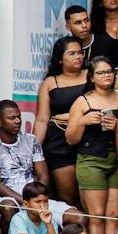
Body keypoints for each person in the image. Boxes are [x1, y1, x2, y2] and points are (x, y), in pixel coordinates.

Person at [65, 56, 118, 234]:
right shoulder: (82, 101)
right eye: (101, 72)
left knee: (114, 215)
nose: (107, 75)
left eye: (110, 71)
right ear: (91, 76)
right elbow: (70, 139)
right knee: (97, 216)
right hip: (91, 160)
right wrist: (83, 121)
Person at [33, 35, 89, 207]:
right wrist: (33, 150)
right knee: (69, 200)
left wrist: (69, 116)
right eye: (72, 53)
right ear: (60, 59)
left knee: (90, 201)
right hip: (58, 144)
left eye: (80, 53)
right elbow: (43, 119)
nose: (78, 57)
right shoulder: (50, 82)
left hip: (89, 140)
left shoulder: (92, 76)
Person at [0, 98, 45, 223]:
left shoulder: (31, 140)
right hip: (6, 199)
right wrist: (25, 201)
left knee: (77, 216)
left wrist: (38, 199)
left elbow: (43, 175)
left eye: (19, 117)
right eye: (12, 118)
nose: (18, 121)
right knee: (8, 207)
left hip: (35, 198)